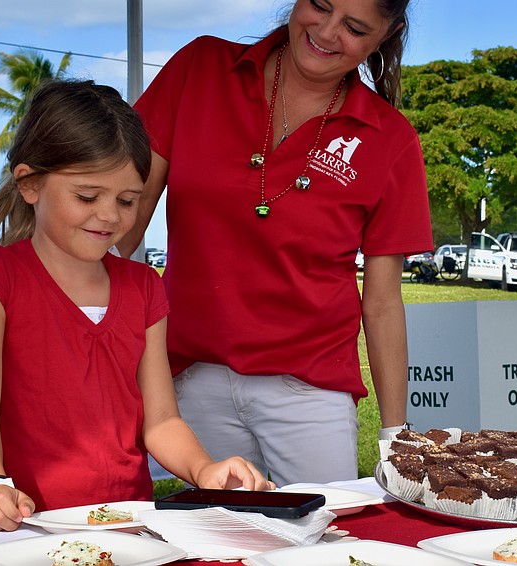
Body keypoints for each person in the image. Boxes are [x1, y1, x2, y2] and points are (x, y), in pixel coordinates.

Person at [118, 0, 433, 486]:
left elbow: (384, 302)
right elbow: (123, 215)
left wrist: (395, 435)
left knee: (318, 546)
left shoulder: (391, 139)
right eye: (319, 6)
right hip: (192, 376)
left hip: (311, 393)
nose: (326, 33)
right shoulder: (200, 68)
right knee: (217, 549)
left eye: (353, 28)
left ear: (384, 37)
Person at [0, 79, 273, 533]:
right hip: (27, 525)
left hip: (128, 525)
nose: (109, 216)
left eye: (127, 201)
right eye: (87, 196)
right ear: (29, 184)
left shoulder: (143, 286)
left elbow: (160, 420)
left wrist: (204, 470)